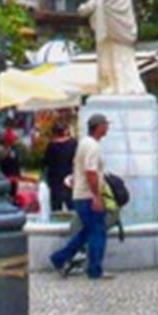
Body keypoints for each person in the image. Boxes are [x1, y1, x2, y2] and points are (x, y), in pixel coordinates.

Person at [47, 114, 112, 280]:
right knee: (98, 231)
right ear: (99, 127)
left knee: (87, 231)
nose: (108, 127)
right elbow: (91, 172)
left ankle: (59, 258)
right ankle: (95, 269)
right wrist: (97, 196)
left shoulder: (84, 143)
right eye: (106, 124)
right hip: (88, 196)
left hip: (80, 194)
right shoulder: (92, 147)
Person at [44, 121, 77, 213]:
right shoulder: (72, 144)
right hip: (69, 176)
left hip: (55, 178)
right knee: (72, 204)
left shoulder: (51, 146)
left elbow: (46, 162)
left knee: (56, 205)